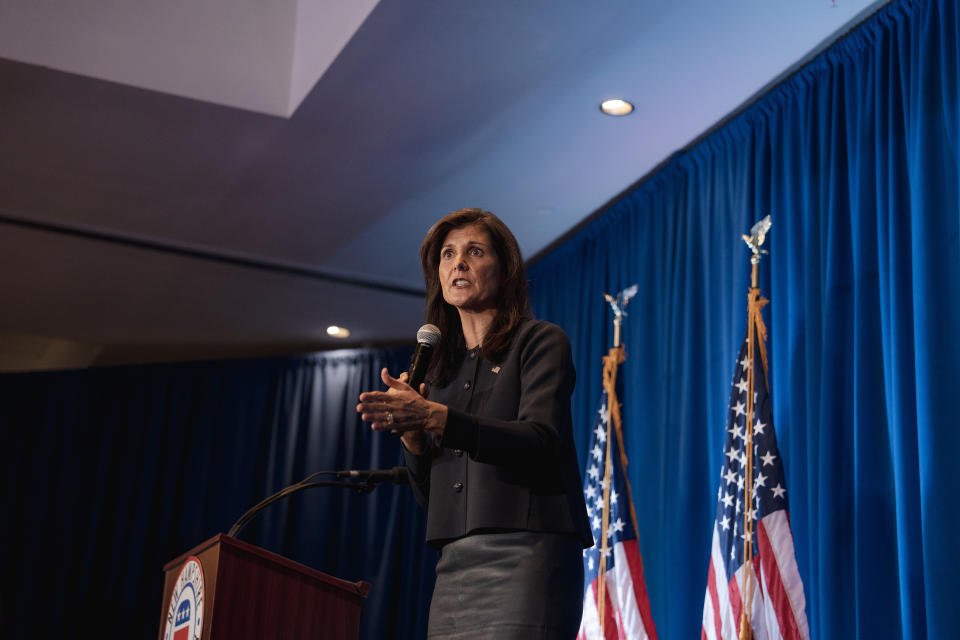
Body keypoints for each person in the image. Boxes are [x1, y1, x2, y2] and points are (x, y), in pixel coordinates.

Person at [357, 208, 593, 639]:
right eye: (447, 255)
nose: (457, 263)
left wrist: (437, 418)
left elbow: (541, 440)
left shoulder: (540, 342)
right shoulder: (439, 375)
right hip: (455, 568)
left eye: (474, 251)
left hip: (530, 556)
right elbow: (435, 499)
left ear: (505, 271)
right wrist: (414, 440)